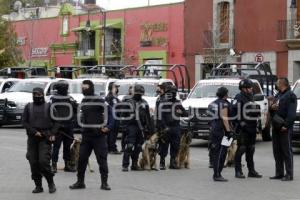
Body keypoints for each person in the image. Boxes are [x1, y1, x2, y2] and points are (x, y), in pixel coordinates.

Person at [69, 80, 114, 190]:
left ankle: (104, 183)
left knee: (102, 160)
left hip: (99, 136)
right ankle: (80, 182)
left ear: (91, 88)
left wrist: (108, 127)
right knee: (82, 159)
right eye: (82, 88)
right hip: (86, 135)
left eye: (85, 88)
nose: (83, 90)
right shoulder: (84, 100)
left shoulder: (99, 99)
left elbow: (111, 113)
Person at [22, 87, 59, 194]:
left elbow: (57, 122)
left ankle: (51, 183)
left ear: (43, 95)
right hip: (33, 138)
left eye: (39, 95)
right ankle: (38, 186)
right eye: (35, 94)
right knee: (33, 162)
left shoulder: (49, 106)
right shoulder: (28, 107)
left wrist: (52, 133)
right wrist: (34, 132)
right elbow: (24, 122)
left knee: (43, 161)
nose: (37, 96)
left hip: (45, 137)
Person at [232, 79, 262, 179]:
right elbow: (234, 113)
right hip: (243, 128)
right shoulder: (239, 97)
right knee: (241, 149)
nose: (251, 89)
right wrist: (242, 124)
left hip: (252, 126)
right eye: (249, 87)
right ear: (243, 89)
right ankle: (238, 171)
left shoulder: (250, 96)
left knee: (251, 149)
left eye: (251, 87)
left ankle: (251, 171)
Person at [270, 78, 297, 181]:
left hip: (284, 128)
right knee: (277, 151)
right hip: (276, 127)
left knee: (286, 151)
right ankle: (279, 173)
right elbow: (272, 109)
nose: (276, 84)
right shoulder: (278, 95)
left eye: (277, 82)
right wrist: (271, 107)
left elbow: (292, 113)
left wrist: (286, 125)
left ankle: (289, 174)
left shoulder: (290, 95)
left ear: (282, 84)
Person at [121, 84, 153, 172]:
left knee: (139, 147)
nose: (139, 94)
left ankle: (134, 164)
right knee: (130, 146)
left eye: (140, 93)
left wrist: (149, 130)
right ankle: (125, 165)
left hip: (141, 128)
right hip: (131, 127)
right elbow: (123, 116)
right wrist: (124, 128)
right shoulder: (128, 102)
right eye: (137, 93)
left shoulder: (144, 103)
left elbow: (147, 117)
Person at [157, 85, 187, 170]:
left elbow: (185, 113)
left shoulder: (177, 103)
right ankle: (162, 162)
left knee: (175, 145)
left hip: (176, 127)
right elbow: (160, 117)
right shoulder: (162, 102)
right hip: (166, 127)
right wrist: (163, 128)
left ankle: (172, 162)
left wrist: (180, 111)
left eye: (174, 92)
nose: (172, 94)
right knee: (164, 146)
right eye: (171, 92)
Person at [51, 80, 77, 173]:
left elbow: (75, 109)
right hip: (59, 127)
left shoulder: (69, 98)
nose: (66, 89)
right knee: (56, 147)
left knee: (66, 146)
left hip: (67, 126)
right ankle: (54, 164)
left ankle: (66, 164)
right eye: (65, 87)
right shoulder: (54, 99)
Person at [208, 87, 233, 182]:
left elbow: (209, 117)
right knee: (221, 153)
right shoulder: (224, 104)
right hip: (221, 130)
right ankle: (217, 174)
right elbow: (225, 118)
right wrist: (228, 131)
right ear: (225, 94)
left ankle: (217, 173)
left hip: (214, 129)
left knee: (215, 152)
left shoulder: (212, 103)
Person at [105, 82, 121, 154]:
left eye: (117, 88)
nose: (116, 89)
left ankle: (111, 147)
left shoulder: (115, 97)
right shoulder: (109, 97)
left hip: (116, 117)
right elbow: (108, 107)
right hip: (112, 118)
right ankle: (111, 148)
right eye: (115, 87)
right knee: (112, 133)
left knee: (114, 134)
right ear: (111, 88)